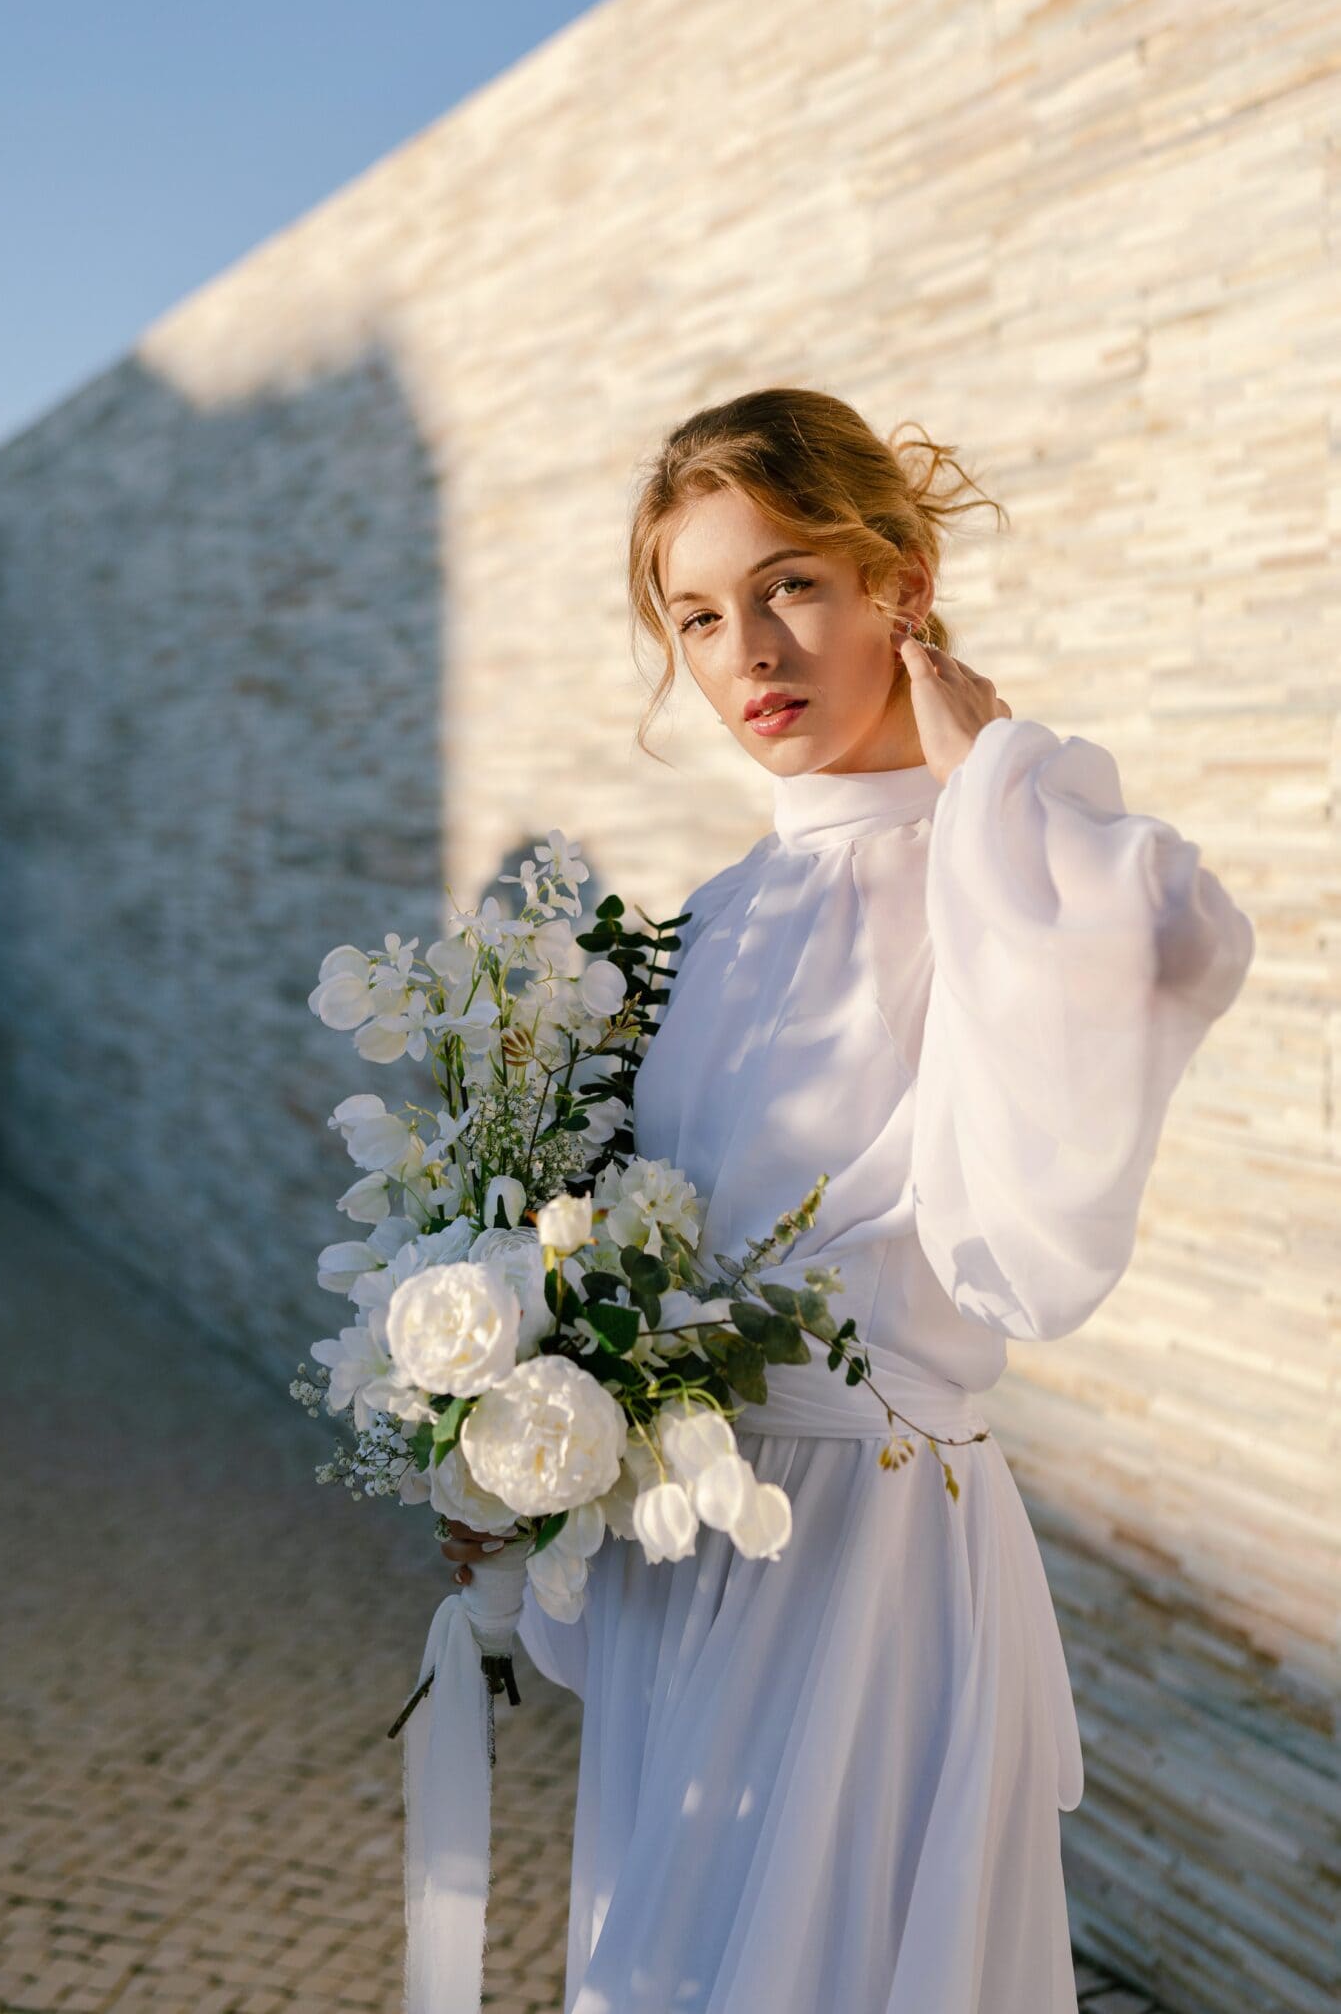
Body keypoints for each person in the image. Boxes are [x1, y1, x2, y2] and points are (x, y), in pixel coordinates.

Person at [450, 388, 1257, 2012]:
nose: (744, 649)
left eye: (789, 586)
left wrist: (996, 770)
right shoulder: (716, 913)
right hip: (684, 1545)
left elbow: (1166, 946)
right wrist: (513, 1437)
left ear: (898, 577)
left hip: (868, 1546)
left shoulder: (1003, 855)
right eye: (695, 615)